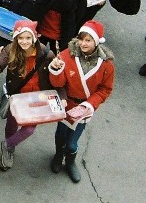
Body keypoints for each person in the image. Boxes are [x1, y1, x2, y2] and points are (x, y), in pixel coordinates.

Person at [0, 20, 59, 172]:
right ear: (16, 38)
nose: (24, 41)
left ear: (34, 37)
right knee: (12, 124)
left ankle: (8, 145)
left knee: (29, 129)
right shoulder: (10, 50)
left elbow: (56, 79)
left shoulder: (46, 54)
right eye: (20, 38)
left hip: (37, 98)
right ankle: (9, 150)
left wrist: (58, 72)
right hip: (17, 96)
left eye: (27, 38)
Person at [48, 21, 114, 183]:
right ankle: (58, 155)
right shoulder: (65, 55)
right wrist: (56, 69)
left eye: (88, 40)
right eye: (81, 39)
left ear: (97, 42)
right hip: (65, 105)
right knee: (60, 135)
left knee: (71, 143)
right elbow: (57, 84)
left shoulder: (107, 66)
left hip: (84, 109)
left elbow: (105, 90)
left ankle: (70, 162)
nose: (83, 43)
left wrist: (89, 104)